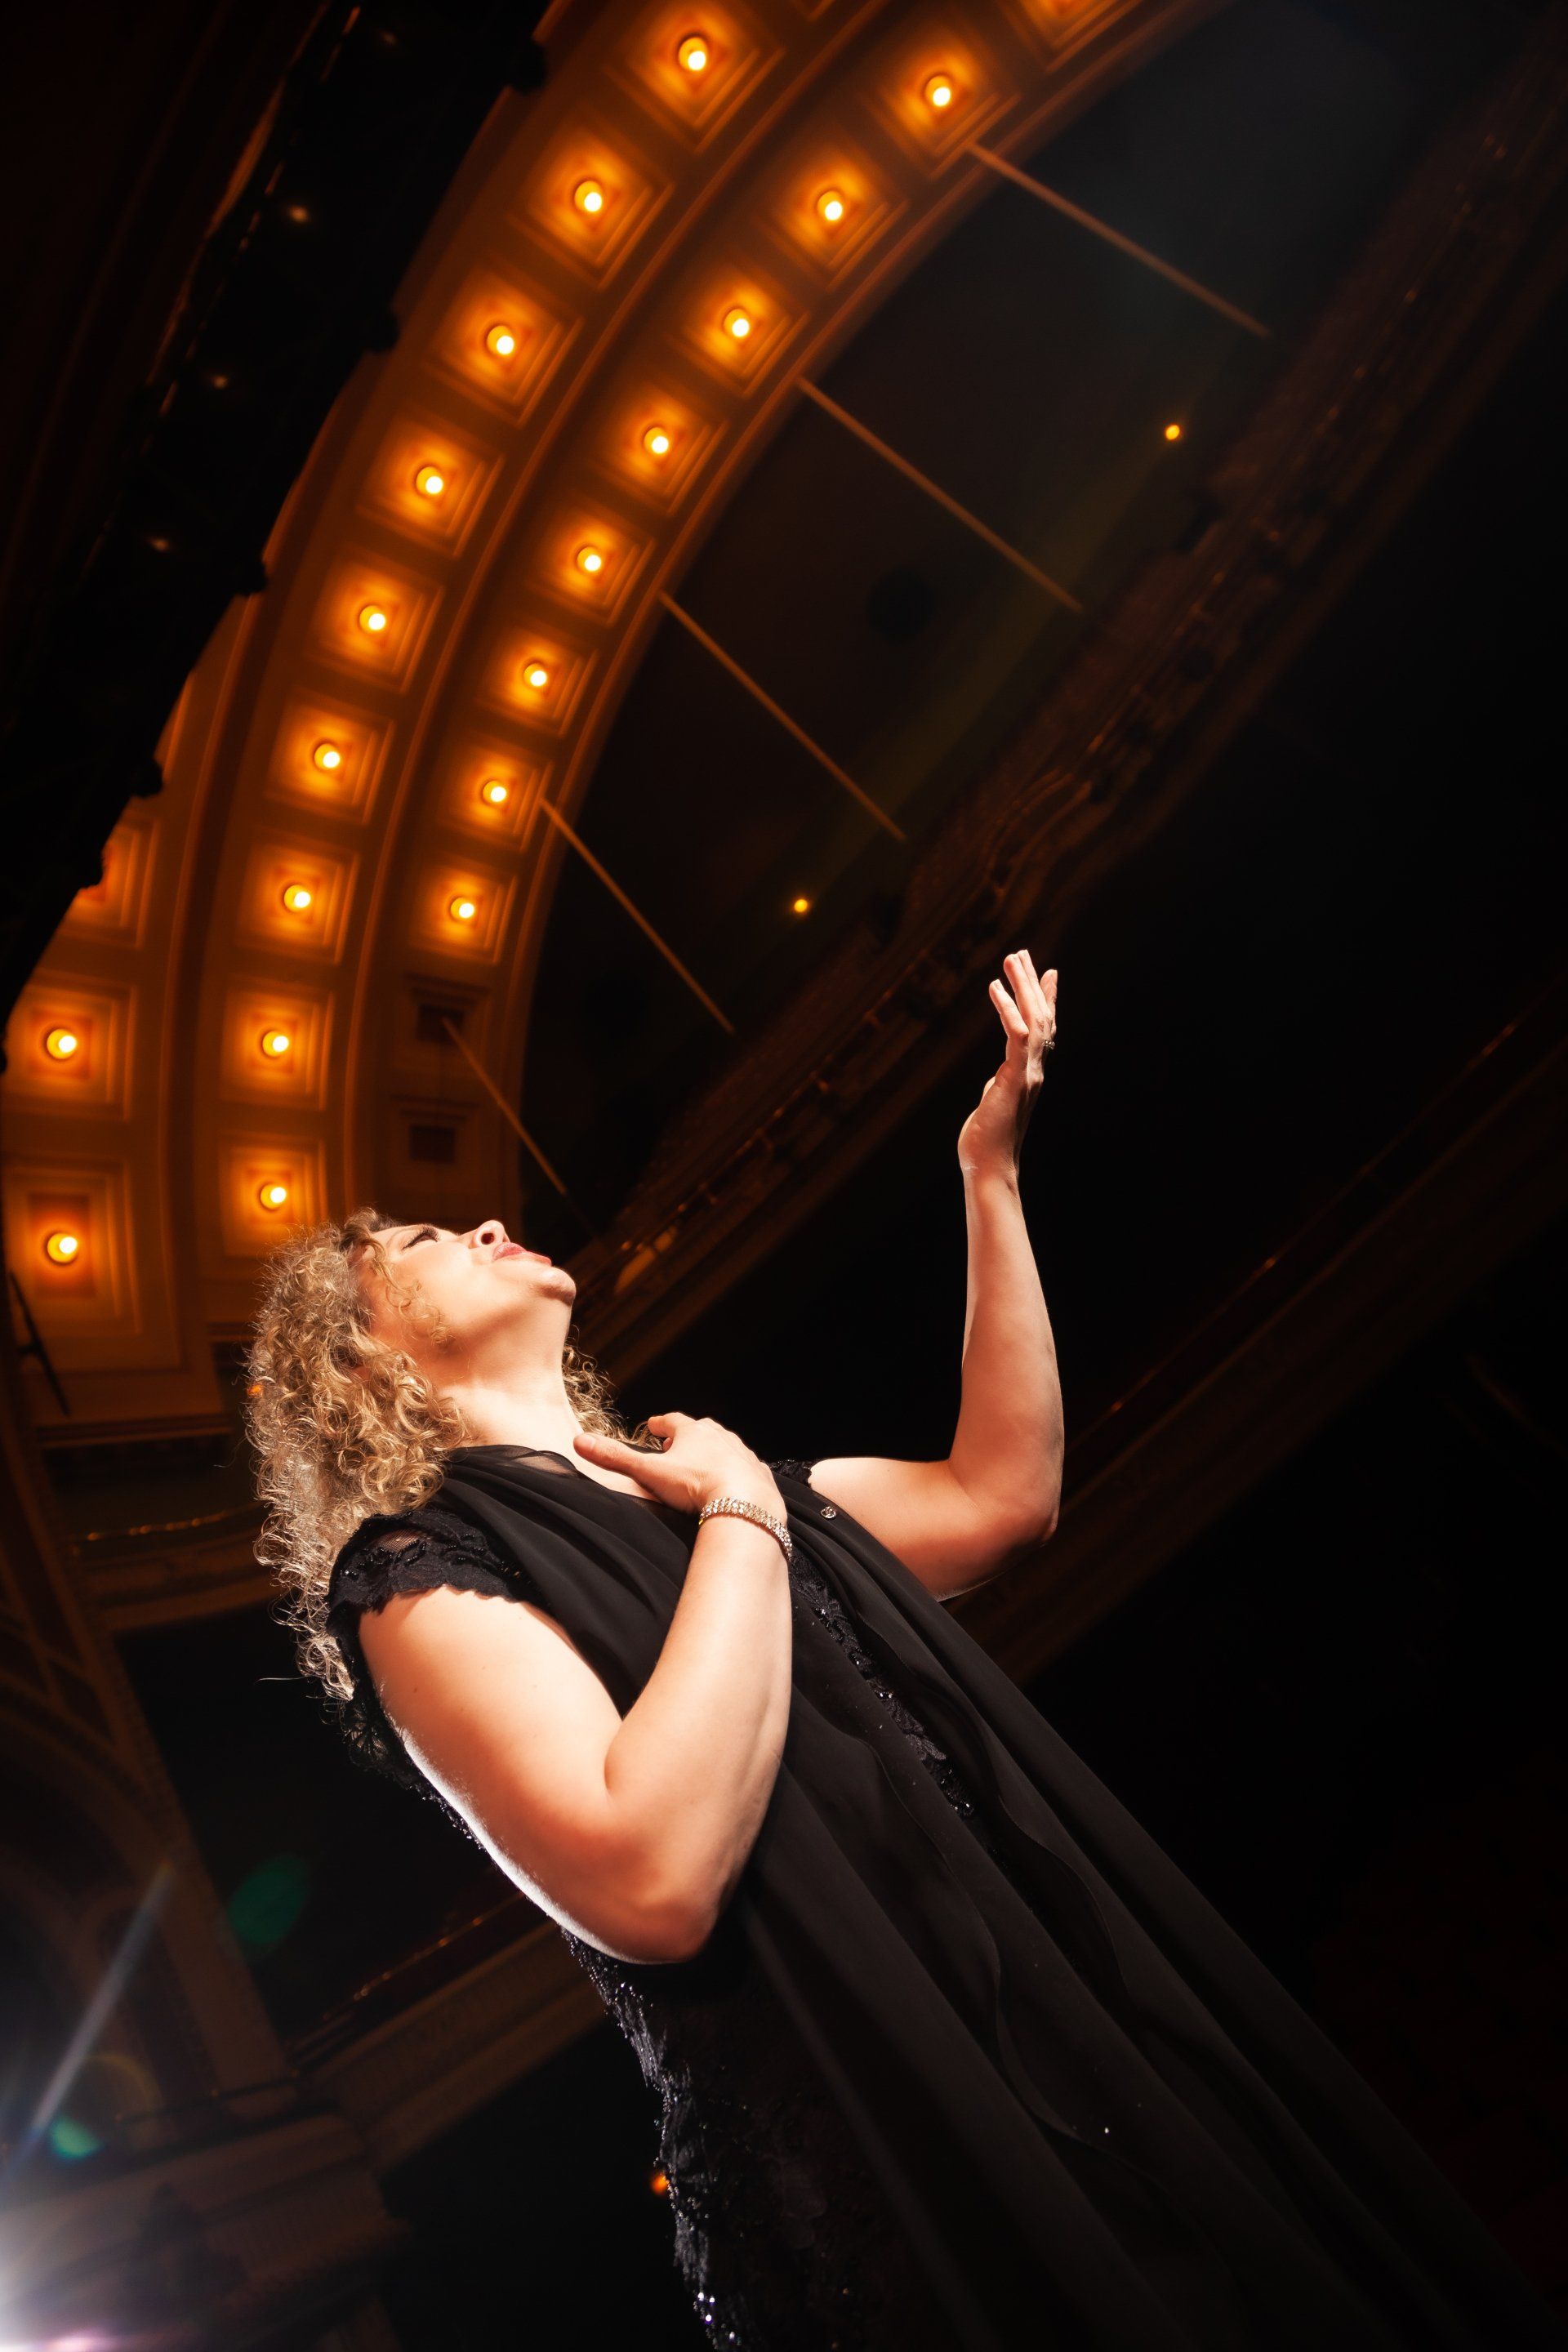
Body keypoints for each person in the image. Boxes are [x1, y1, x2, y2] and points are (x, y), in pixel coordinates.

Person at [247, 951, 1562, 2351]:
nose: (490, 1223)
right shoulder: (414, 1573)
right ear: (364, 1362)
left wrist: (988, 1176)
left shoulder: (699, 1480)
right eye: (429, 1245)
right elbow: (647, 1875)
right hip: (881, 2121)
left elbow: (1000, 1498)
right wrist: (746, 1512)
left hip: (1038, 2022)